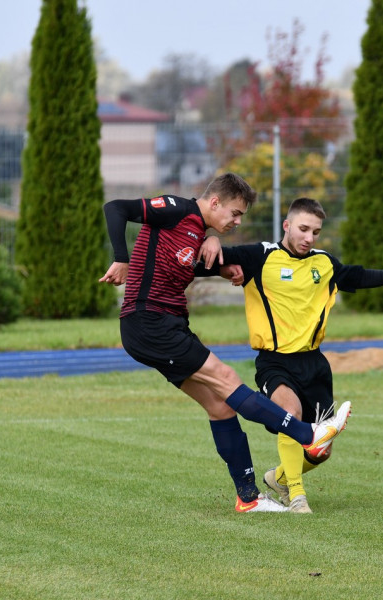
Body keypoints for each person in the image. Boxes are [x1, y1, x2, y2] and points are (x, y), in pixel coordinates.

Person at [99, 175, 351, 513]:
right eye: (235, 213)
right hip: (149, 322)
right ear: (214, 202)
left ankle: (248, 498)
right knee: (227, 378)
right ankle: (308, 434)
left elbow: (189, 262)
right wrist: (121, 257)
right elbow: (115, 207)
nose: (237, 221)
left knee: (220, 406)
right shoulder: (176, 209)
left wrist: (219, 261)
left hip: (164, 325)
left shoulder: (198, 233)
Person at [215, 197, 383, 513]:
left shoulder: (325, 263)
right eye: (303, 229)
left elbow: (361, 277)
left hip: (314, 365)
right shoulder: (260, 256)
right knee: (291, 413)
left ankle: (280, 478)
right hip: (274, 362)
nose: (308, 238)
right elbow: (212, 258)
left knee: (320, 450)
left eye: (315, 232)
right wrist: (211, 240)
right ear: (286, 226)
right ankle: (297, 496)